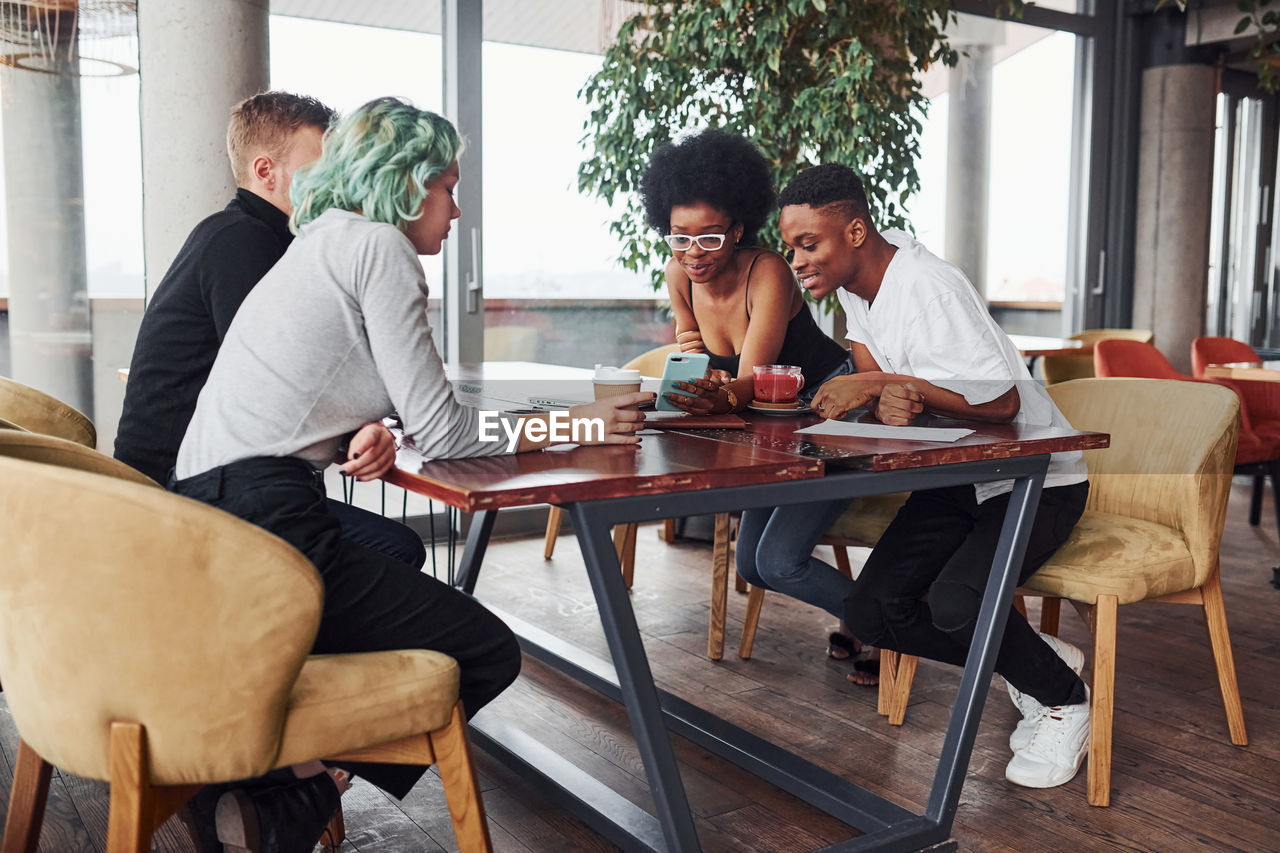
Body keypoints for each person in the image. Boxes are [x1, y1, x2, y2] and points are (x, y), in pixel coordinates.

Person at [171, 97, 651, 851]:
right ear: (405, 181)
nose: (457, 210)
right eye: (449, 187)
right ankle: (292, 802)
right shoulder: (379, 247)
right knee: (486, 650)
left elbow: (360, 390)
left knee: (394, 571)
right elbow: (449, 432)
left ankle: (266, 786)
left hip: (208, 514)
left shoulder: (321, 240)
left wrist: (374, 425)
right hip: (266, 523)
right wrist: (580, 424)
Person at [781, 163, 1092, 790]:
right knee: (870, 612)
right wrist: (883, 396)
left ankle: (1065, 698)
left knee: (958, 602)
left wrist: (883, 386)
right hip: (958, 476)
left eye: (808, 243)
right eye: (790, 247)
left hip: (1035, 476)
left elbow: (1002, 403)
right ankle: (1029, 661)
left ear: (856, 232)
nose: (795, 259)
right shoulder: (853, 291)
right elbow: (887, 389)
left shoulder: (929, 285)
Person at [114, 91, 426, 571]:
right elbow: (283, 380)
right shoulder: (246, 241)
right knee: (397, 548)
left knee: (393, 546)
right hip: (184, 494)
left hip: (204, 481)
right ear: (266, 172)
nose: (339, 182)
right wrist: (362, 428)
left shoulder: (242, 234)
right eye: (323, 168)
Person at [638, 129, 873, 678]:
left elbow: (750, 380)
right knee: (754, 562)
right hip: (767, 425)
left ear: (737, 230)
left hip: (827, 412)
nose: (693, 254)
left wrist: (708, 389)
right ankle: (877, 612)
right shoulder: (679, 274)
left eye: (711, 239)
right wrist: (688, 358)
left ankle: (890, 624)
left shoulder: (766, 270)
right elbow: (694, 351)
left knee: (777, 561)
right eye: (679, 237)